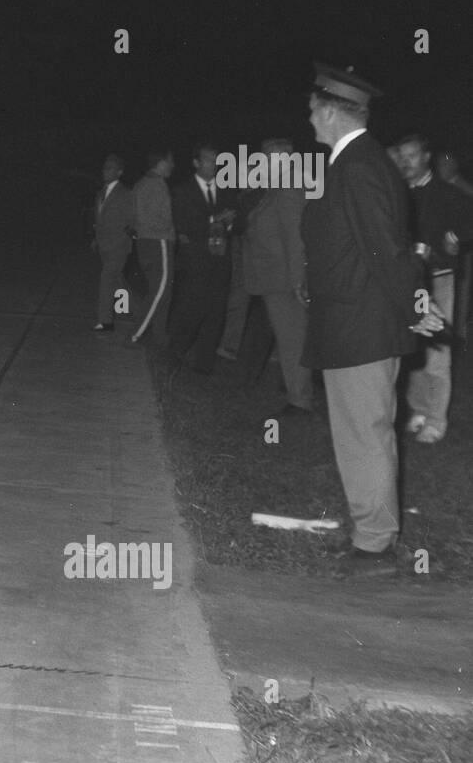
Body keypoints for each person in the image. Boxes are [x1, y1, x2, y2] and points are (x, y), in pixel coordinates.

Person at [299, 63, 442, 571]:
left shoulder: (358, 166)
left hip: (362, 326)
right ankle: (369, 533)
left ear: (333, 112)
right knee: (359, 434)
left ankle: (375, 544)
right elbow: (353, 247)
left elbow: (387, 251)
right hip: (351, 323)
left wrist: (418, 306)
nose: (309, 115)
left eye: (314, 108)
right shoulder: (352, 162)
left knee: (364, 434)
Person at [395, 133, 473, 443]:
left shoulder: (445, 191)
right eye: (402, 156)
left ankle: (437, 419)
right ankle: (417, 409)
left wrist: (455, 236)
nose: (406, 162)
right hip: (409, 282)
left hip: (439, 278)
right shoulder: (398, 191)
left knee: (437, 351)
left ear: (426, 156)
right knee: (411, 346)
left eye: (411, 155)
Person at [240, 138, 312, 415]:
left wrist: (298, 281)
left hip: (284, 278)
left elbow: (295, 238)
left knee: (292, 337)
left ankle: (299, 400)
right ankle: (297, 389)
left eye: (268, 158)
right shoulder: (276, 186)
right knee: (291, 337)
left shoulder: (288, 186)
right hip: (276, 275)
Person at [169, 141, 240, 374]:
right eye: (209, 160)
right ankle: (176, 352)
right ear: (196, 162)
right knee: (191, 308)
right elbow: (182, 224)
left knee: (216, 312)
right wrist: (214, 220)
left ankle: (204, 364)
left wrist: (230, 223)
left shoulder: (227, 189)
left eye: (216, 160)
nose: (214, 165)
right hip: (195, 260)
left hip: (221, 260)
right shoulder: (183, 190)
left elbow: (238, 223)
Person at [128, 148, 176, 347]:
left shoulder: (140, 184)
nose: (173, 166)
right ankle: (135, 335)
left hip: (144, 243)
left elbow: (131, 217)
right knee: (159, 291)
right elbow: (165, 218)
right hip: (159, 242)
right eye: (171, 161)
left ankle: (159, 335)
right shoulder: (158, 185)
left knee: (164, 291)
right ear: (162, 162)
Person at [91, 154, 134, 332]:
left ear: (119, 172)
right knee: (117, 280)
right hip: (103, 244)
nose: (105, 171)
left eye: (110, 168)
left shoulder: (125, 193)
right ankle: (139, 313)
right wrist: (96, 239)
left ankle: (106, 321)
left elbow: (132, 220)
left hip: (118, 246)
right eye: (104, 167)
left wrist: (123, 238)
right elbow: (100, 219)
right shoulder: (101, 193)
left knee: (106, 279)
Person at [435, 151, 473, 344]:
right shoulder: (440, 187)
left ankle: (460, 332)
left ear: (453, 165)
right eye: (439, 163)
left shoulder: (464, 188)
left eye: (444, 163)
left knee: (463, 289)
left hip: (464, 249)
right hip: (446, 250)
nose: (440, 167)